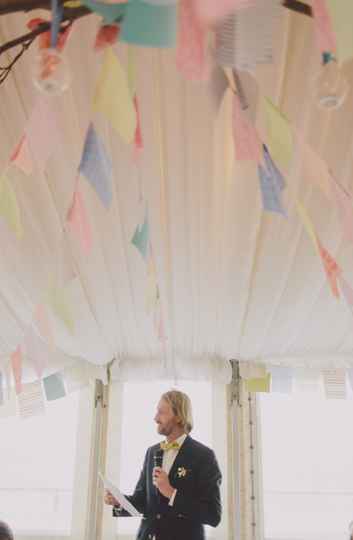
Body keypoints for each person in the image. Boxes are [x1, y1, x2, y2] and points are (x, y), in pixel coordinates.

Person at [105, 389, 222, 540]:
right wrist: (119, 501)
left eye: (161, 412)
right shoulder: (152, 452)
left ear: (179, 416)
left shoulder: (204, 456)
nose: (155, 418)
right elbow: (142, 501)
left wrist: (171, 493)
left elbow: (213, 515)